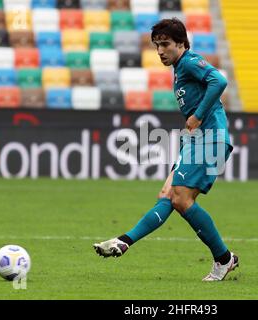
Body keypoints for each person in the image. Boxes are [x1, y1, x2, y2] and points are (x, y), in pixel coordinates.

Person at [93, 18, 239, 281]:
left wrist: (196, 116)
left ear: (181, 44)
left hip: (211, 137)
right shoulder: (180, 67)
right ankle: (124, 241)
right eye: (156, 45)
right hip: (196, 140)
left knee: (181, 199)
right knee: (168, 194)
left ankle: (223, 259)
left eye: (165, 44)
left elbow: (219, 80)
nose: (160, 51)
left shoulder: (190, 61)